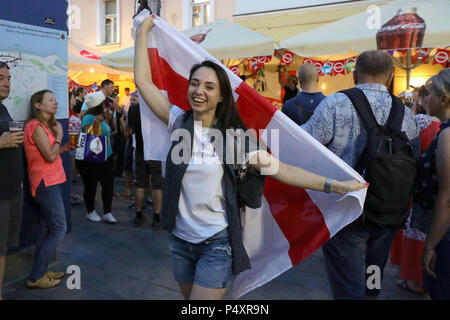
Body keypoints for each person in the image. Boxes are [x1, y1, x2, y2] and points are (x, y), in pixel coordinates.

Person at [135, 17, 367, 300]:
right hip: (179, 242)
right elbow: (143, 83)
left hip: (216, 245)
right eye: (195, 84)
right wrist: (143, 30)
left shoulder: (236, 141)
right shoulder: (178, 121)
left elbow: (284, 171)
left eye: (209, 86)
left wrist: (336, 185)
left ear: (221, 96)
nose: (199, 91)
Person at [302, 50, 420, 300]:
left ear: (355, 75)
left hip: (345, 208)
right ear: (390, 78)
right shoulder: (407, 115)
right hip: (389, 209)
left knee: (347, 277)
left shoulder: (335, 103)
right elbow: (414, 160)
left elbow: (305, 143)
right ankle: (371, 294)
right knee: (375, 266)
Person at [23, 89, 75, 288]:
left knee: (46, 228)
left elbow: (50, 153)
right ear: (38, 105)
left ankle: (41, 270)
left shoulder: (43, 126)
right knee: (59, 227)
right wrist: (60, 136)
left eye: (55, 100)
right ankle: (36, 277)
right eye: (50, 100)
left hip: (53, 179)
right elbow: (49, 157)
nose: (55, 103)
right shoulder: (34, 126)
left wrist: (62, 149)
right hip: (45, 182)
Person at [411, 68, 450, 300]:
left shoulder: (447, 135)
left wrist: (429, 246)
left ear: (444, 99)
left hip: (445, 238)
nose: (426, 98)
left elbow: (447, 199)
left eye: (430, 93)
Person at [0, 62, 24, 300]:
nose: (6, 82)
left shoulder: (3, 108)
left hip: (10, 190)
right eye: (0, 78)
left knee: (3, 248)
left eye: (8, 78)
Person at [75, 91, 117, 224]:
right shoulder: (89, 117)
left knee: (108, 184)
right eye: (104, 102)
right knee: (91, 185)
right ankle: (90, 211)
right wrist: (99, 120)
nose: (107, 103)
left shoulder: (103, 116)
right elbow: (91, 134)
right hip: (92, 157)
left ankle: (107, 212)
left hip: (106, 155)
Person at [127, 91, 163, 229]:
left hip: (140, 149)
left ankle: (138, 215)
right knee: (157, 185)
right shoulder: (157, 109)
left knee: (140, 184)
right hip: (155, 150)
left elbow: (130, 129)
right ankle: (156, 217)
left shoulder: (133, 109)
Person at [68, 91, 82, 205]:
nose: (75, 100)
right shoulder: (71, 116)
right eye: (73, 98)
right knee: (70, 171)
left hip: (71, 147)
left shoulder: (70, 114)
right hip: (71, 147)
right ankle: (68, 194)